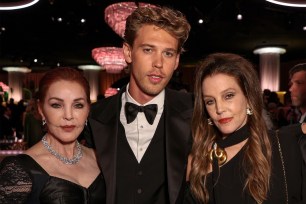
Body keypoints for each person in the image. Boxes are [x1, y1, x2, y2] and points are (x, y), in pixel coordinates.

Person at [85, 5, 193, 204]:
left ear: (177, 61)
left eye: (168, 53)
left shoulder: (195, 111)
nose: (158, 63)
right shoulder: (95, 116)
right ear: (128, 52)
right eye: (148, 50)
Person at [184, 53, 306, 203]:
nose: (219, 108)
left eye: (228, 96)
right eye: (210, 101)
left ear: (249, 97)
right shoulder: (197, 161)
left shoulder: (285, 146)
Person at [0, 67, 105, 203]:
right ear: (41, 109)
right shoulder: (17, 169)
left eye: (78, 105)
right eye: (56, 105)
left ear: (88, 110)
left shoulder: (102, 159)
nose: (68, 116)